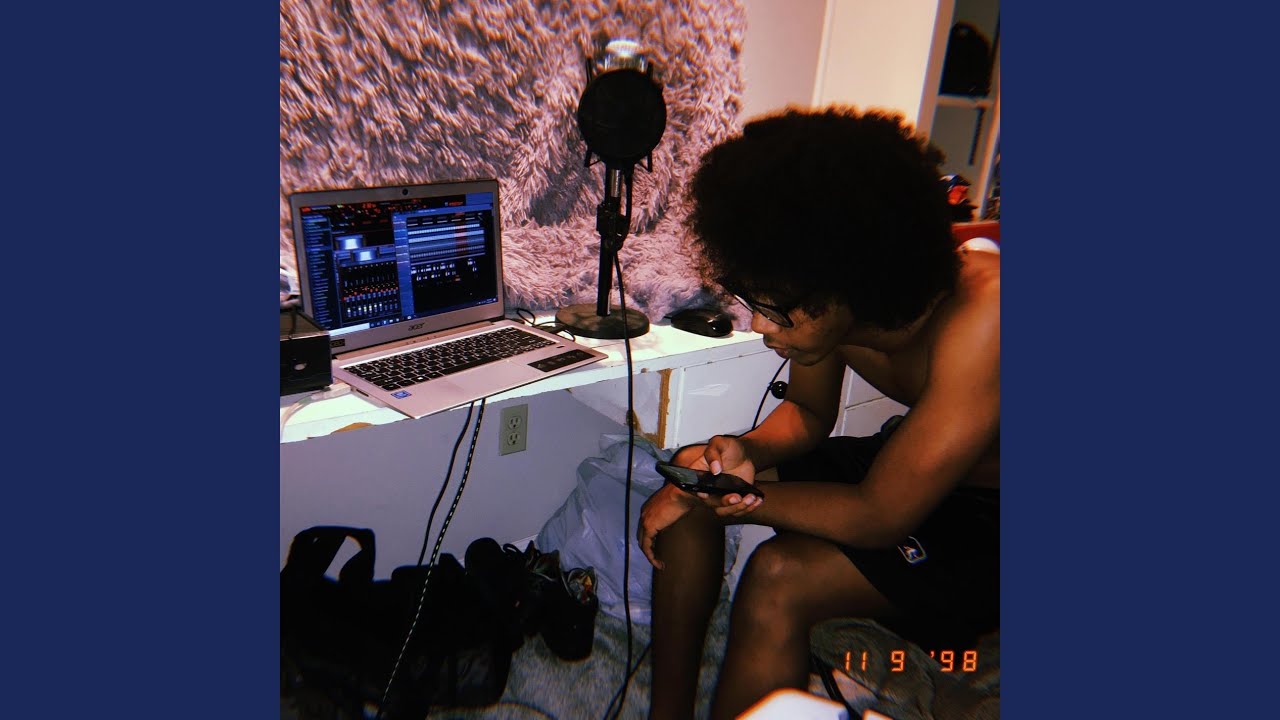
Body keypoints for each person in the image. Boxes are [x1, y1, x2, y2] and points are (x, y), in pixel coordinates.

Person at [638, 106, 1000, 720]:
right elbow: (808, 411)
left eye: (777, 310)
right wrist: (743, 453)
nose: (761, 326)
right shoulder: (830, 298)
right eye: (754, 303)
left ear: (855, 283)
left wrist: (723, 495)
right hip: (914, 469)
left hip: (993, 522)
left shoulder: (986, 317)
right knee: (694, 466)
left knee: (779, 576)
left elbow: (879, 516)